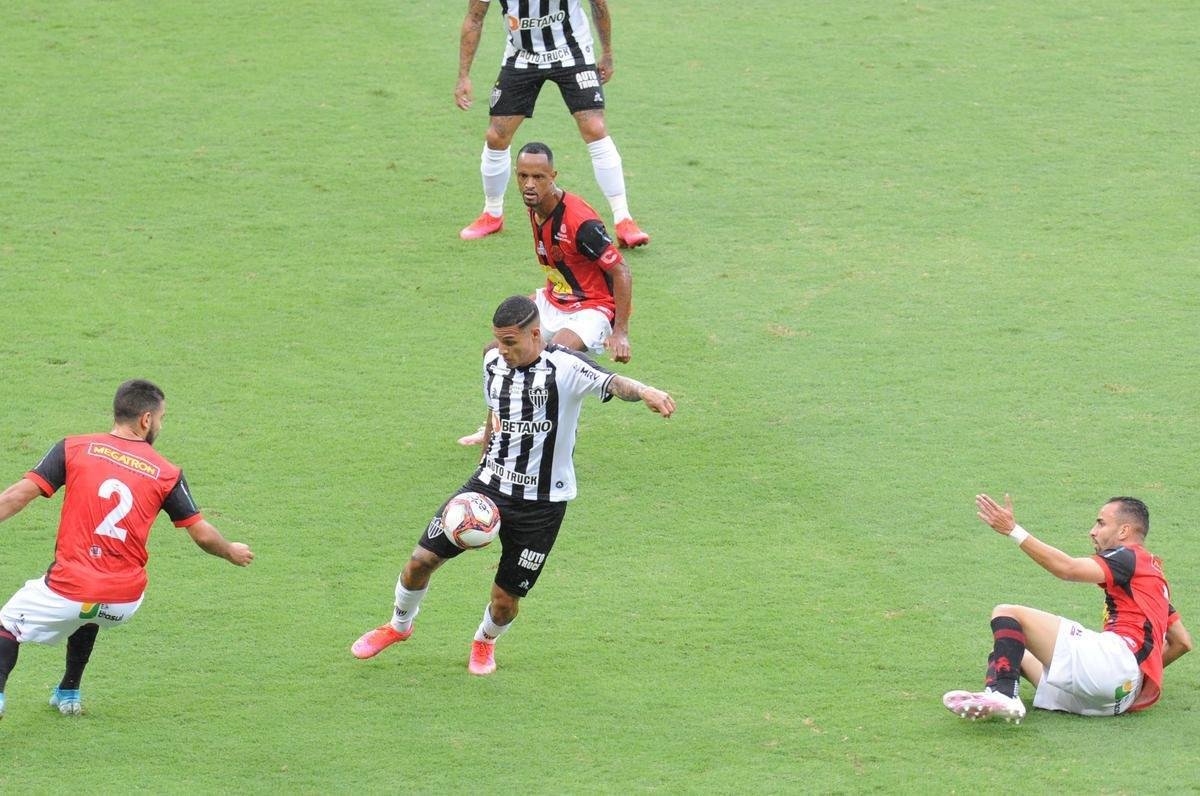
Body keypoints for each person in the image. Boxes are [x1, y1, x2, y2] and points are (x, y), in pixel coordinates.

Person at [353, 294, 674, 675]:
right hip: (487, 485)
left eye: (510, 342)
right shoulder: (492, 362)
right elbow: (494, 413)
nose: (502, 350)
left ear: (536, 334)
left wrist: (647, 392)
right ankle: (398, 626)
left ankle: (484, 642)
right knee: (420, 562)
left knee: (505, 600)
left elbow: (613, 381)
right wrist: (481, 462)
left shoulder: (566, 367)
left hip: (542, 504)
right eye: (499, 341)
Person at [0, 379, 253, 719]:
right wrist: (231, 551)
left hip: (68, 589)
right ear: (146, 419)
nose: (161, 425)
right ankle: (69, 690)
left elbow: (17, 496)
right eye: (162, 418)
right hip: (123, 601)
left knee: (7, 625)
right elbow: (204, 536)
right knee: (89, 609)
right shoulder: (167, 472)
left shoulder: (73, 448)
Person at [943, 494, 1191, 723]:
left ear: (1124, 530)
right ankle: (994, 695)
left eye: (1101, 523)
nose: (1092, 532)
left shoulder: (1129, 556)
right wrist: (1133, 679)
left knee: (1007, 613)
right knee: (1008, 650)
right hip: (1117, 698)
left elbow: (1068, 569)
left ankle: (1004, 695)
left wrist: (1013, 531)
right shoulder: (1153, 581)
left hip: (1114, 665)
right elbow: (1182, 642)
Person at [457, 141, 633, 446]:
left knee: (553, 360)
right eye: (523, 176)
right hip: (554, 299)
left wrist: (620, 333)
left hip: (590, 307)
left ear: (553, 176)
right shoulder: (535, 206)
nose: (529, 184)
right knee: (495, 352)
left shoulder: (580, 222)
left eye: (538, 177)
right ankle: (492, 431)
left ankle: (552, 433)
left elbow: (621, 271)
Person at [455, 0, 650, 248]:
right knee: (496, 136)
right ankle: (492, 214)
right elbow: (474, 17)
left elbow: (598, 4)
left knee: (595, 129)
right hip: (522, 56)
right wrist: (463, 75)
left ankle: (624, 220)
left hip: (573, 52)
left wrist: (608, 54)